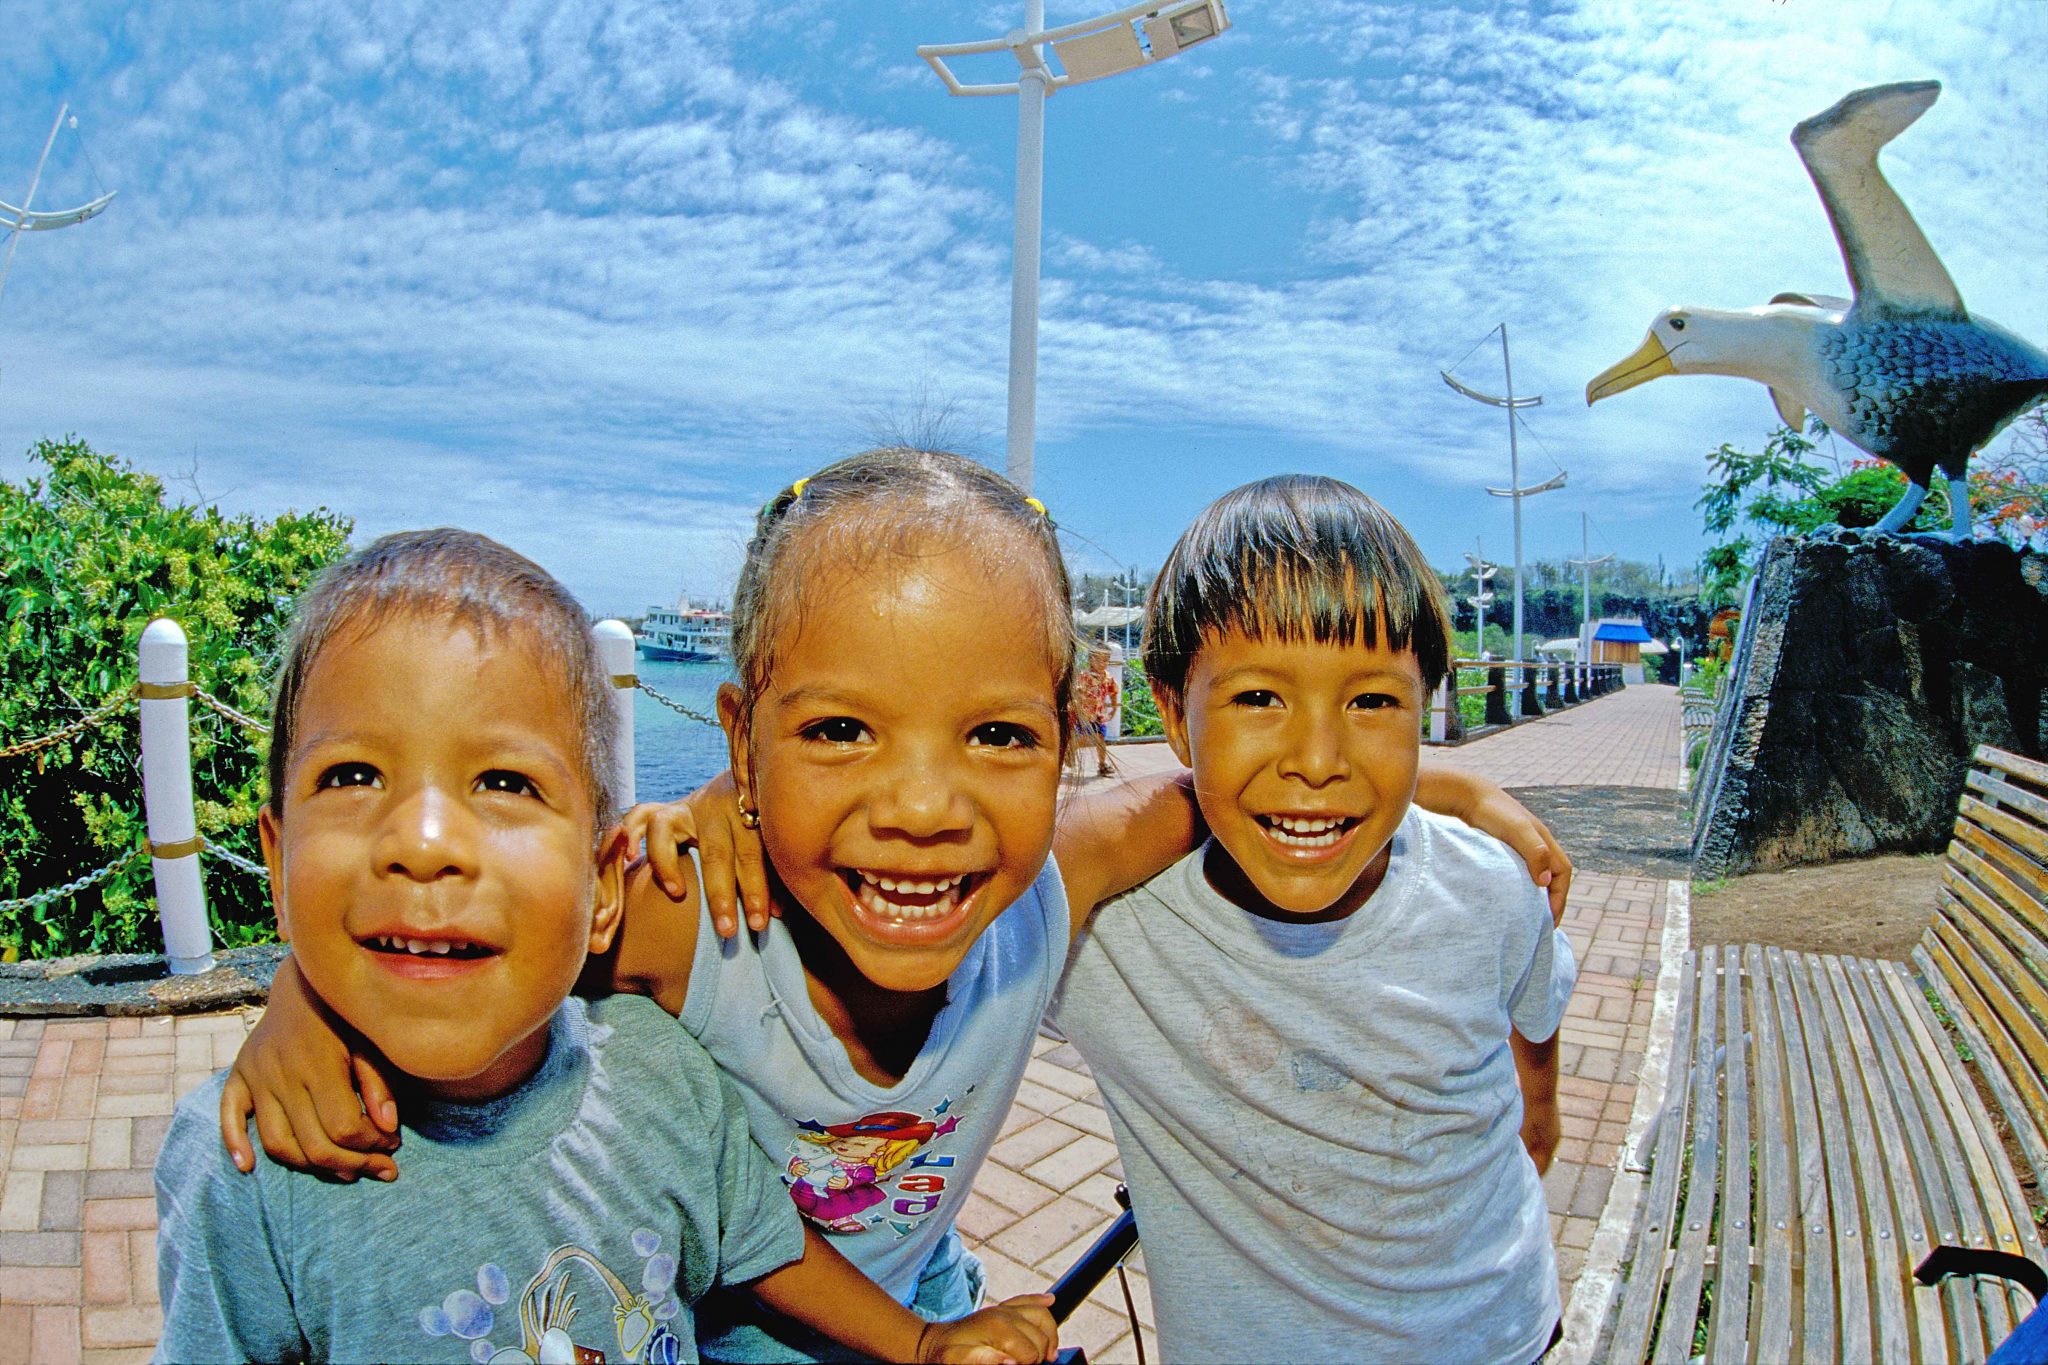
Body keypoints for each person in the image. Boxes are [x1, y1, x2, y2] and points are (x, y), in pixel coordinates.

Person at [217, 453, 1573, 1363]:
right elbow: (456, 935)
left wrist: (1446, 784)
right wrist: (306, 999)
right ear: (740, 743)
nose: (923, 806)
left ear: (1071, 736)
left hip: (926, 1315)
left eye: (995, 738)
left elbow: (1221, 795)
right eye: (843, 732)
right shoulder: (690, 917)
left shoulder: (1055, 884)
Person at [156, 529, 1059, 1365]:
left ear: (604, 883)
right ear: (275, 860)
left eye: (503, 781)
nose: (423, 837)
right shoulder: (245, 1173)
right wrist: (299, 995)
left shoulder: (660, 1074)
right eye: (352, 775)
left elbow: (763, 1246)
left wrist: (920, 1345)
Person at [1048, 475, 1577, 1363]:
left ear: (1425, 710)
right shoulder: (1107, 935)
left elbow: (1535, 1006)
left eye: (1372, 701)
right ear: (1174, 713)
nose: (1319, 760)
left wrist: (1543, 1110)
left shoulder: (1488, 884)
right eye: (1259, 698)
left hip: (1503, 1330)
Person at [1068, 645, 1117, 778]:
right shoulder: (1085, 676)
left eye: (1106, 660)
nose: (1103, 663)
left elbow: (1113, 692)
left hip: (1099, 715)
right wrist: (1080, 701)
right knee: (1083, 738)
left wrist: (1114, 707)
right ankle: (1070, 750)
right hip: (1085, 715)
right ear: (1091, 659)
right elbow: (1076, 692)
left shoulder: (1107, 677)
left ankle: (1102, 765)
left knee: (1101, 739)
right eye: (1099, 660)